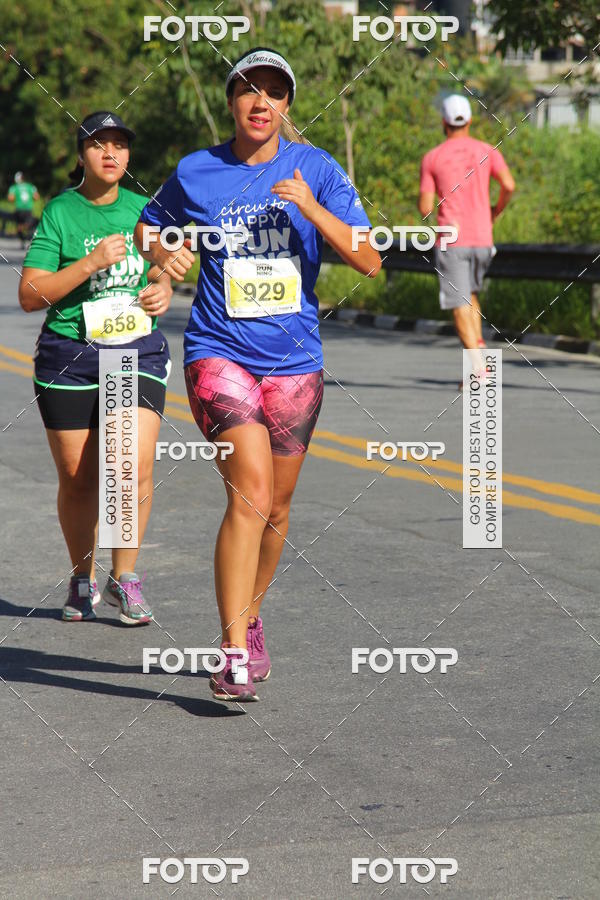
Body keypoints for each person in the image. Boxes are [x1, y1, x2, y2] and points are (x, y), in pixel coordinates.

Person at [135, 47, 381, 701]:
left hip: (295, 364)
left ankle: (249, 618)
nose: (260, 101)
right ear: (231, 102)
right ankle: (232, 652)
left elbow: (369, 260)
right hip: (218, 352)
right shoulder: (197, 170)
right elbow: (148, 228)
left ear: (288, 104)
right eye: (248, 89)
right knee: (249, 492)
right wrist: (167, 251)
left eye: (274, 91)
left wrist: (313, 208)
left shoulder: (316, 169)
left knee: (276, 507)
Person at [18, 111, 172, 625]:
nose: (111, 153)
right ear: (81, 154)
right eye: (98, 144)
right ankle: (81, 578)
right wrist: (88, 264)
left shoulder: (144, 209)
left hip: (134, 351)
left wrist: (162, 287)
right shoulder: (61, 211)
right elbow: (29, 294)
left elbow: (162, 267)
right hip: (69, 354)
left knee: (129, 465)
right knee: (79, 478)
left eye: (120, 145)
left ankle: (125, 578)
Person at [418, 95, 515, 387]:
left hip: (453, 239)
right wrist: (495, 211)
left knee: (459, 301)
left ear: (444, 122)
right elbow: (509, 185)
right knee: (470, 295)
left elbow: (425, 208)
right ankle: (479, 347)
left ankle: (479, 368)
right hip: (483, 239)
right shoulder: (487, 151)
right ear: (470, 120)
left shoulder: (433, 157)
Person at [8, 171, 40, 247]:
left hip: (19, 209)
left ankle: (23, 239)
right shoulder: (30, 186)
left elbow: (10, 198)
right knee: (28, 224)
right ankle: (28, 234)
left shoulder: (14, 187)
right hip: (28, 209)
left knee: (20, 225)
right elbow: (36, 197)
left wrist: (17, 198)